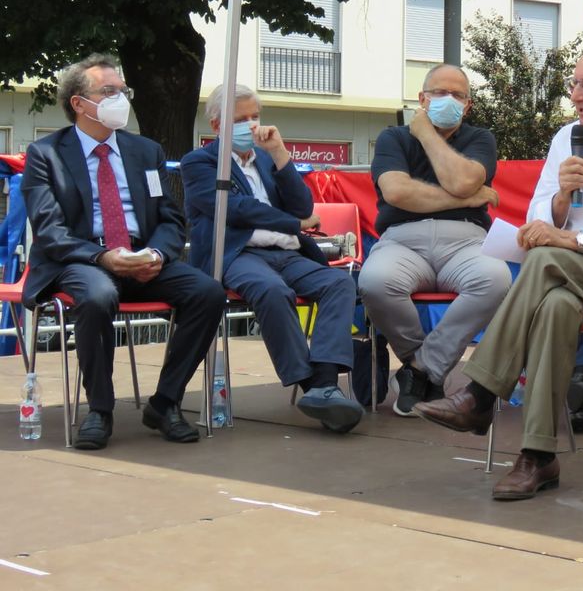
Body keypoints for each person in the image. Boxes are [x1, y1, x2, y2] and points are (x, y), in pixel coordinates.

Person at [413, 40, 583, 501]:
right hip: (573, 276)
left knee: (546, 261)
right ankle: (537, 455)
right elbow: (540, 217)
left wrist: (567, 241)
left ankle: (480, 392)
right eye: (574, 84)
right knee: (556, 306)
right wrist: (562, 200)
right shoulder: (568, 138)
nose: (577, 95)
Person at [21, 54, 224, 450]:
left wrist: (157, 255)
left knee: (208, 293)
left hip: (141, 257)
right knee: (98, 295)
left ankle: (164, 403)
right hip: (82, 259)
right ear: (79, 103)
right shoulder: (46, 154)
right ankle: (100, 409)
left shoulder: (145, 151)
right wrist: (103, 258)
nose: (121, 99)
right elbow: (49, 231)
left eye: (123, 91)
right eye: (108, 91)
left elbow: (170, 217)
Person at [181, 84, 364, 434]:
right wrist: (293, 224)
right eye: (240, 119)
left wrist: (280, 154)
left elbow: (303, 207)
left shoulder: (266, 159)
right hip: (238, 253)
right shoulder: (200, 163)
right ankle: (313, 387)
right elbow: (235, 209)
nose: (251, 125)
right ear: (217, 125)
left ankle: (325, 382)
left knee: (339, 283)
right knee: (272, 290)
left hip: (286, 251)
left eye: (255, 116)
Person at [357, 65, 512, 416]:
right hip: (402, 240)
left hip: (466, 242)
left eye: (458, 95)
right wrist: (468, 199)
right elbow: (397, 192)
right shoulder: (393, 138)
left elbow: (462, 181)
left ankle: (418, 370)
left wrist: (426, 133)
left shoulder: (480, 138)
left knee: (495, 278)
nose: (448, 100)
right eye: (440, 93)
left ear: (468, 105)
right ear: (422, 98)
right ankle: (429, 367)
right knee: (375, 281)